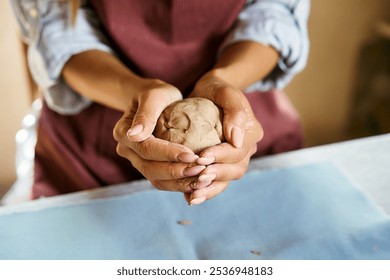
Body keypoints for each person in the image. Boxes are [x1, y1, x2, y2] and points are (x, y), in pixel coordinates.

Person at [10, 0, 310, 205]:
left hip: (239, 112)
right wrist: (137, 92)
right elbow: (60, 30)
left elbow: (274, 11)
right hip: (92, 139)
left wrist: (225, 79)